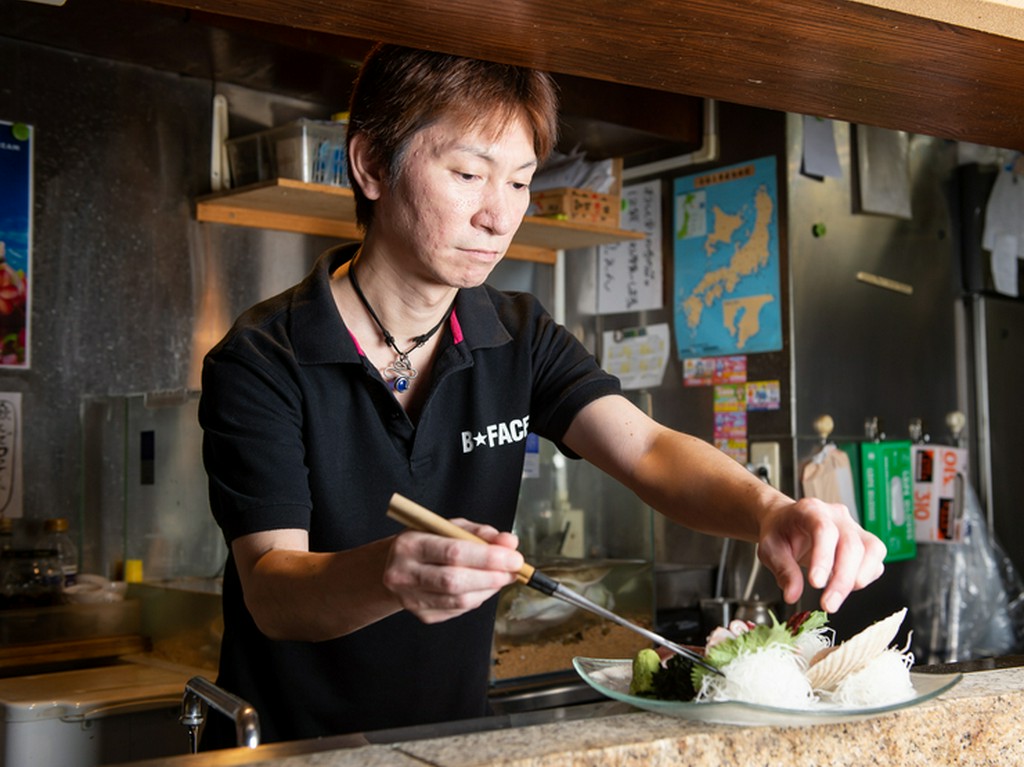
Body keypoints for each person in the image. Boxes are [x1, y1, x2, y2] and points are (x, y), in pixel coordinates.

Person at [198, 43, 886, 747]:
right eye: (468, 173)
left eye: (521, 182)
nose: (500, 217)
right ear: (372, 163)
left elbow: (646, 448)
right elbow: (272, 589)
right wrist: (389, 572)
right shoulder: (263, 358)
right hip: (290, 752)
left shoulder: (515, 333)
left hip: (457, 745)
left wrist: (769, 510)